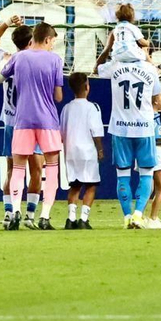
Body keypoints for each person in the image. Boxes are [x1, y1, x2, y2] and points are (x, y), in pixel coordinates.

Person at [0, 21, 66, 231]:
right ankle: (44, 216)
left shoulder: (18, 57)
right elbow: (58, 96)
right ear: (46, 39)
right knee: (51, 167)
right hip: (47, 121)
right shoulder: (55, 60)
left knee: (17, 168)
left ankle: (16, 211)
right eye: (53, 41)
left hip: (23, 120)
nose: (53, 45)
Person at [95, 39, 161, 228]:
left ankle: (127, 217)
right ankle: (138, 214)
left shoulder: (115, 65)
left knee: (122, 174)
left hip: (120, 127)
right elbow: (158, 98)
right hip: (144, 126)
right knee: (146, 173)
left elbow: (97, 68)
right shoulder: (150, 69)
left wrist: (108, 47)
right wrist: (148, 58)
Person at [60, 71, 103, 229]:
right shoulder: (92, 108)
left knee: (75, 185)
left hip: (71, 152)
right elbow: (96, 131)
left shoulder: (66, 108)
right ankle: (84, 219)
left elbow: (62, 132)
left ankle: (71, 219)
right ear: (87, 87)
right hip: (87, 152)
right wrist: (100, 149)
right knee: (91, 185)